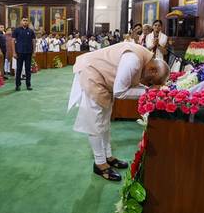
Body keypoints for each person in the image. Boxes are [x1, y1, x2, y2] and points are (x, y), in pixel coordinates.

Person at [68, 42, 170, 181]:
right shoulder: (133, 60)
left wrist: (148, 90)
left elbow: (129, 85)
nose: (147, 83)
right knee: (95, 123)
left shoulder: (143, 59)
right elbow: (120, 92)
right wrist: (148, 91)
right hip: (91, 73)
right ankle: (100, 164)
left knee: (105, 120)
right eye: (151, 81)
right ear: (152, 70)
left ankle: (108, 156)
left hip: (103, 79)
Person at [12, 17, 36, 91]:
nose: (25, 22)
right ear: (21, 21)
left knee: (28, 70)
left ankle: (28, 85)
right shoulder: (17, 30)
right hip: (19, 52)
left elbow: (34, 41)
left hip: (28, 53)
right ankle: (17, 85)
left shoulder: (31, 31)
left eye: (26, 21)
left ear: (28, 22)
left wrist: (34, 51)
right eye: (24, 20)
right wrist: (14, 52)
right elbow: (12, 42)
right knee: (19, 69)